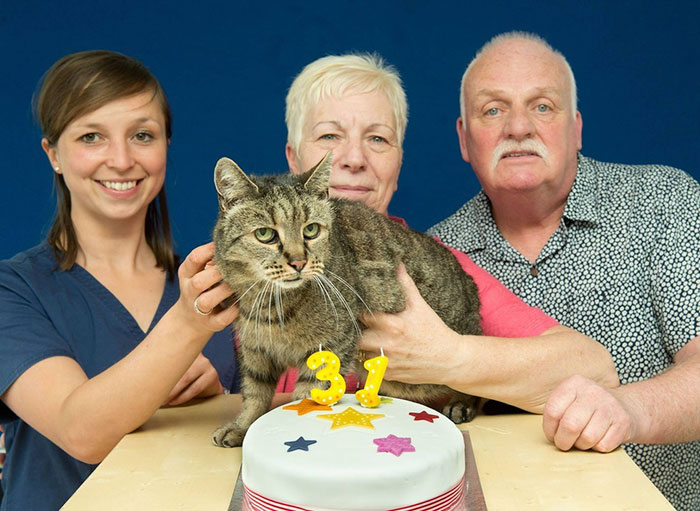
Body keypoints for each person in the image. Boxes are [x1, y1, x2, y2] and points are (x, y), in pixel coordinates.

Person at [428, 31, 700, 510]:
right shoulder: (436, 253)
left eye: (542, 106)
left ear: (576, 128)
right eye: (492, 110)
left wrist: (629, 409)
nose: (517, 127)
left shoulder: (662, 202)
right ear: (464, 138)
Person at [278, 53, 618, 415]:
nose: (354, 159)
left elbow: (595, 370)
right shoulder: (250, 259)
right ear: (294, 159)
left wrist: (447, 355)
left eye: (377, 138)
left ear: (398, 162)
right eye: (329, 135)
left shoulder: (433, 270)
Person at [0, 50, 238, 510]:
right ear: (53, 154)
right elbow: (80, 432)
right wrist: (188, 325)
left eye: (142, 135)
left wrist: (222, 402)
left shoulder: (216, 283)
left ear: (166, 145)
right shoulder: (13, 290)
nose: (122, 159)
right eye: (91, 137)